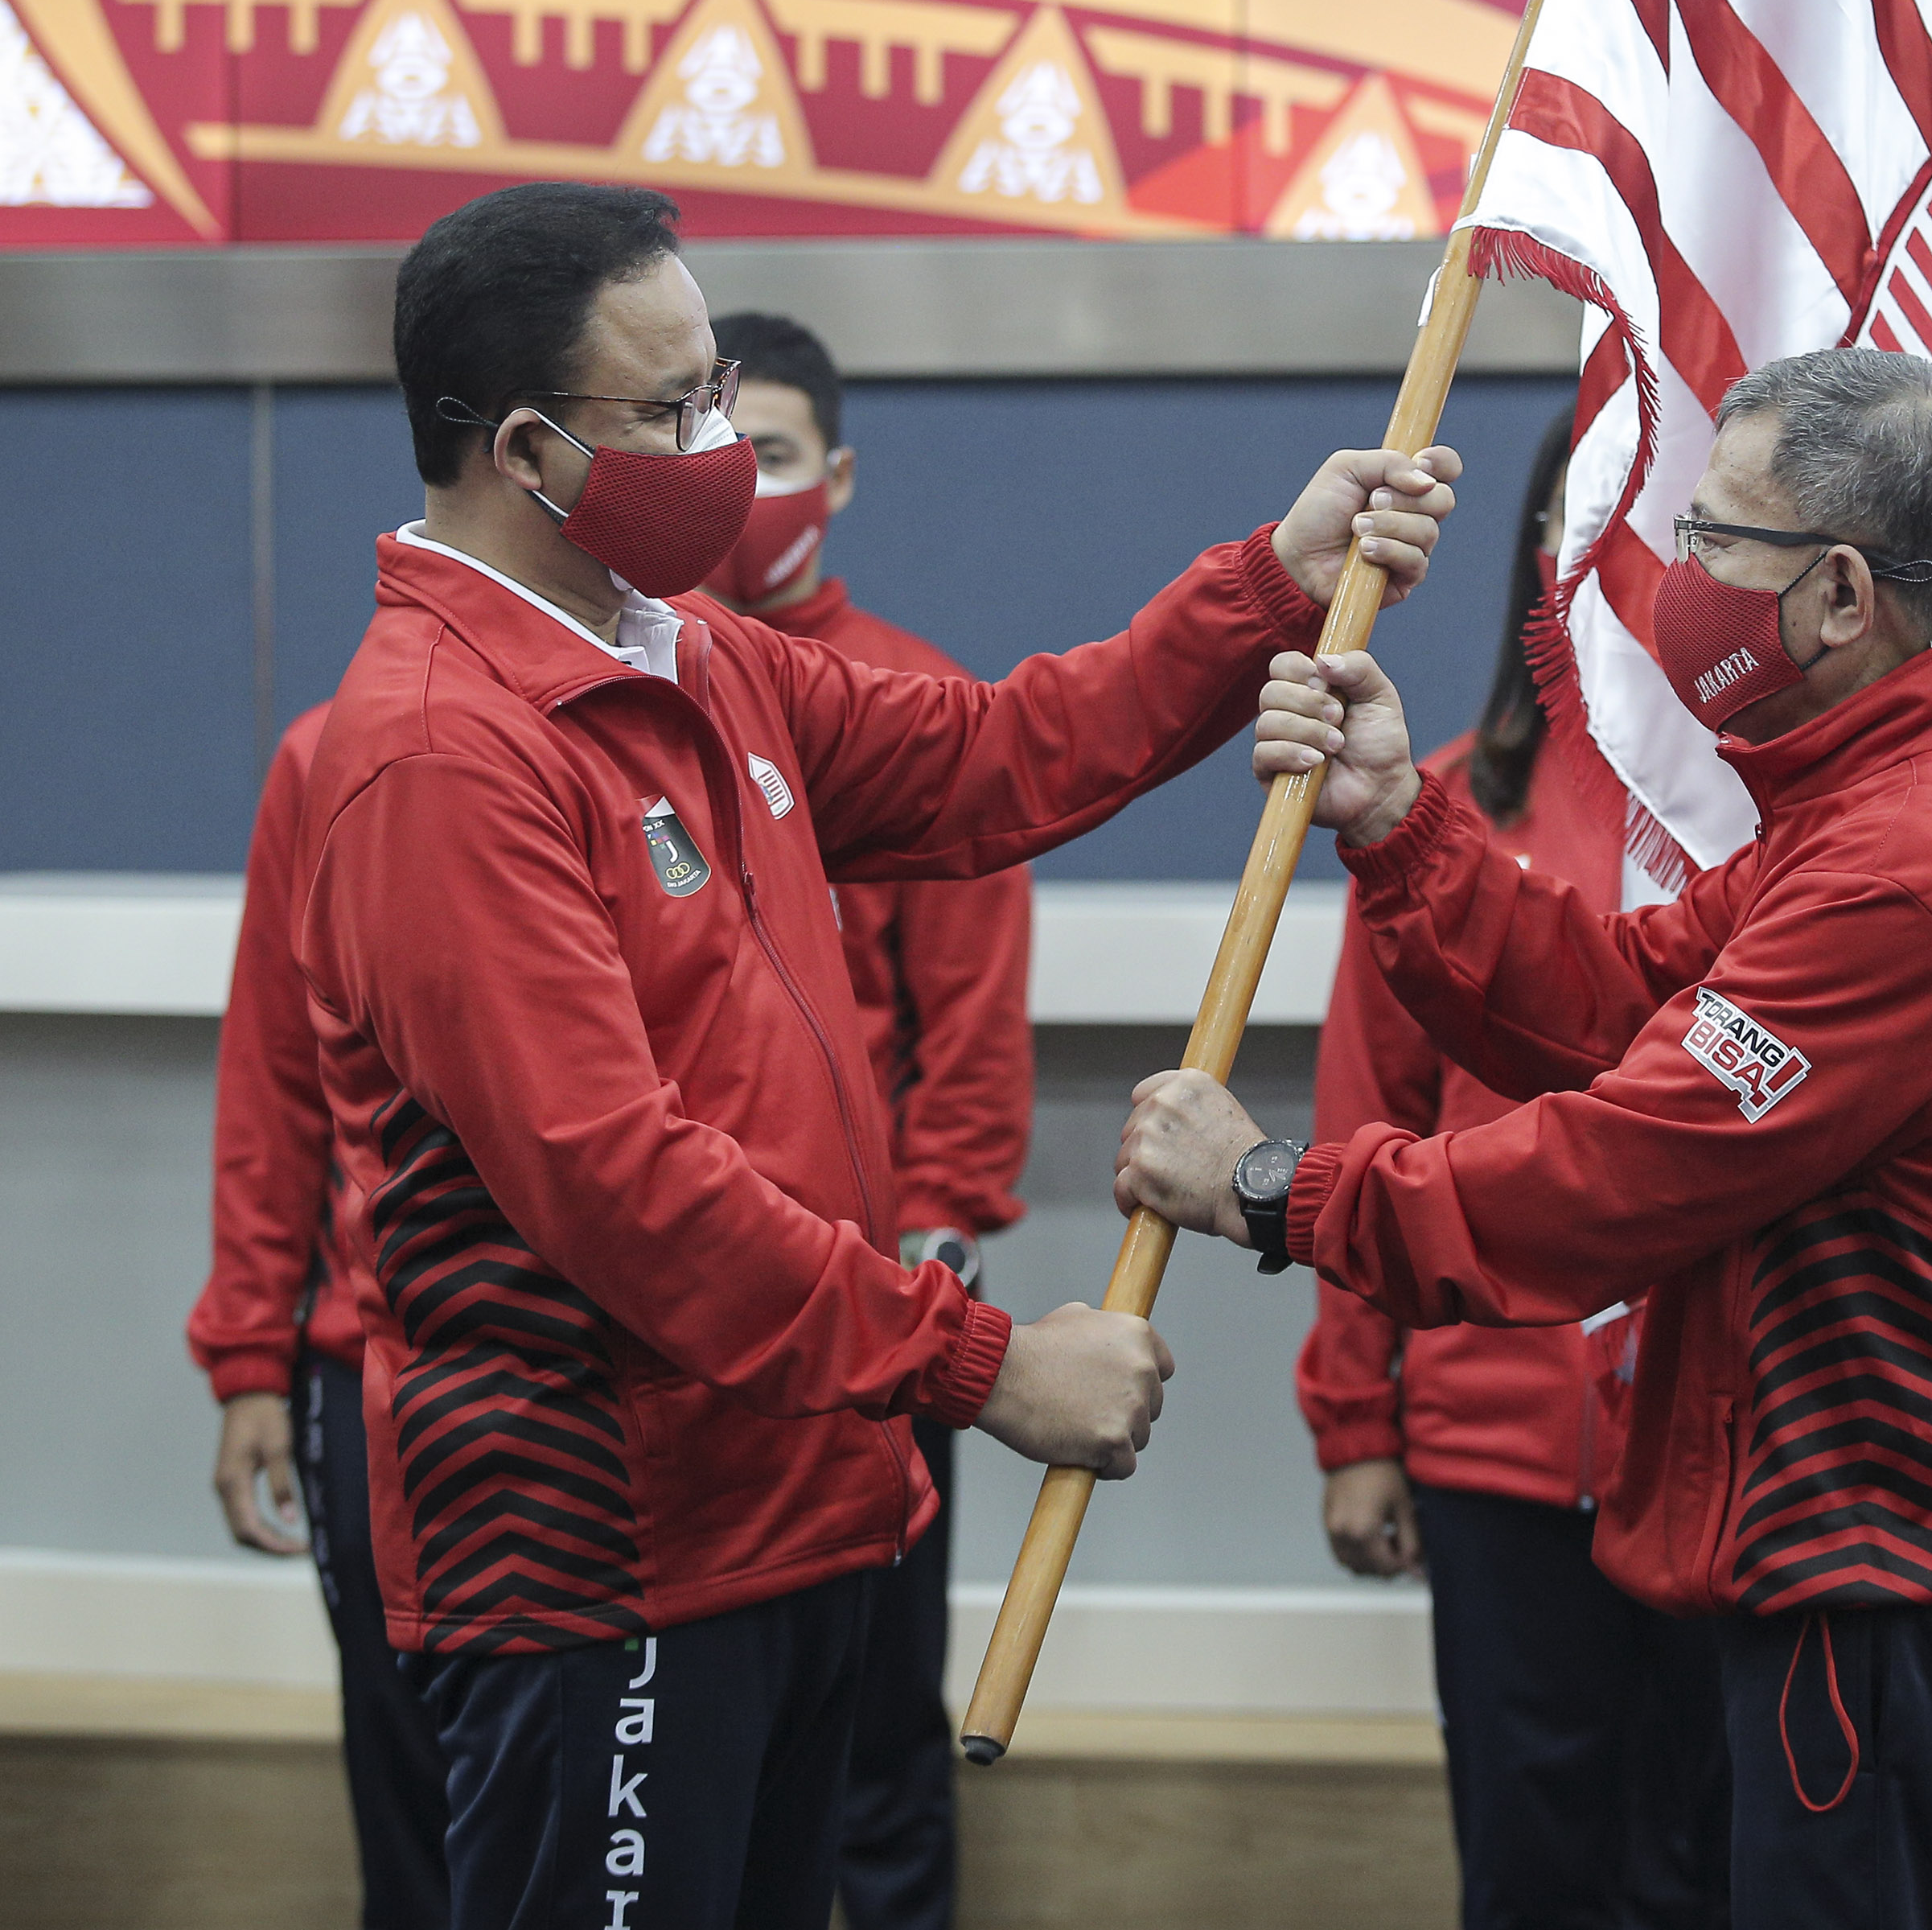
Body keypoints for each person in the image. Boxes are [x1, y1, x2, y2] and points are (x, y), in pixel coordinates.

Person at [295, 180, 1453, 1930]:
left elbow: (1001, 756)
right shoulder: (442, 754)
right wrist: (981, 1363)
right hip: (605, 1556)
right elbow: (620, 1189)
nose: (721, 446)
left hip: (796, 1506)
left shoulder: (692, 659)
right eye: (675, 408)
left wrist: (1265, 587)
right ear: (525, 449)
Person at [1123, 347, 1932, 1930]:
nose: (1672, 577)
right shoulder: (1883, 804)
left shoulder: (1915, 862)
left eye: (1709, 538)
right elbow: (1619, 1001)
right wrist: (1408, 827)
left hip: (1902, 1582)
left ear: (1835, 595)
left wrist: (1273, 1191)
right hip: (1900, 1569)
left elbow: (1611, 1181)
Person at [1297, 413, 1733, 1930]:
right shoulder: (1439, 798)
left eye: (1651, 518)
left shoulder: (1781, 825)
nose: (1603, 553)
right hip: (1499, 1432)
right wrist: (1356, 1416)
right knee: (1532, 1862)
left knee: (1714, 1863)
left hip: (1731, 1442)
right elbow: (1372, 1107)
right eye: (1573, 515)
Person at [698, 309, 1034, 1930]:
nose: (746, 489)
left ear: (837, 477)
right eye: (718, 454)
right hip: (697, 1308)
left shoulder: (912, 701)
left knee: (882, 1715)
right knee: (716, 1719)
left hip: (890, 1308)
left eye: (774, 457)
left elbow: (967, 1039)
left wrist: (939, 1235)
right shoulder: (629, 689)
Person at [187, 699, 450, 1930]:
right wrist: (249, 1354)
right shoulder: (326, 753)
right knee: (406, 1778)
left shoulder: (690, 710)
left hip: (630, 1374)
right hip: (375, 1372)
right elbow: (276, 1073)